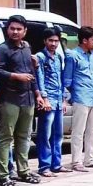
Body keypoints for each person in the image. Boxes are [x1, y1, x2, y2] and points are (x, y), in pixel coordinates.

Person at [0, 14, 45, 186]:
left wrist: (38, 94)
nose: (15, 32)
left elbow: (32, 72)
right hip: (10, 98)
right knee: (6, 137)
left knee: (24, 137)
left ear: (25, 31)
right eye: (12, 28)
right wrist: (16, 76)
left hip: (28, 98)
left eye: (19, 29)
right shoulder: (2, 49)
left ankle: (24, 171)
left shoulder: (26, 48)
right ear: (7, 30)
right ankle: (4, 175)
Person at [64, 26, 93, 171]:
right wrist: (69, 96)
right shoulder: (73, 55)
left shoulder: (91, 55)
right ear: (84, 40)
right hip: (80, 96)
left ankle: (90, 158)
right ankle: (76, 161)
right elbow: (67, 79)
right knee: (78, 130)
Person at [36, 28, 67, 177]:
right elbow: (40, 77)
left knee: (58, 134)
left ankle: (57, 163)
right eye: (51, 40)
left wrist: (64, 99)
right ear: (45, 41)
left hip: (58, 99)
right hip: (48, 99)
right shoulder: (40, 57)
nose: (54, 44)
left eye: (56, 41)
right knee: (45, 134)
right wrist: (44, 97)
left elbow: (60, 79)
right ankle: (44, 165)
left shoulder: (59, 57)